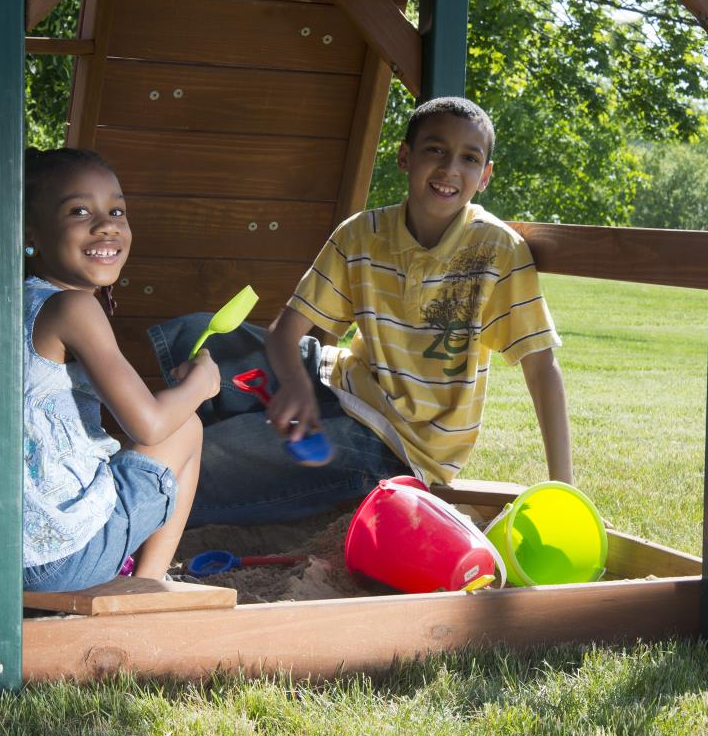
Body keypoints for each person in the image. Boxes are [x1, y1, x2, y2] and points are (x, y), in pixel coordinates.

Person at [150, 96, 572, 525]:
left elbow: (541, 369)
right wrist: (295, 383)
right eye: (436, 150)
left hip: (396, 447)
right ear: (405, 156)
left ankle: (192, 471)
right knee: (198, 335)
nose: (450, 169)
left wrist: (565, 489)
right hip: (336, 383)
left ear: (484, 176)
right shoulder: (361, 234)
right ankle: (207, 440)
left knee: (212, 461)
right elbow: (285, 332)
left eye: (469, 158)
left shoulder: (498, 251)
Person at [0, 148, 219, 590]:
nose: (107, 224)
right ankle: (147, 586)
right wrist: (201, 385)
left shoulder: (6, 301)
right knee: (185, 427)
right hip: (51, 560)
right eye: (80, 210)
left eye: (116, 209)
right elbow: (151, 425)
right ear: (30, 233)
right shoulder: (73, 307)